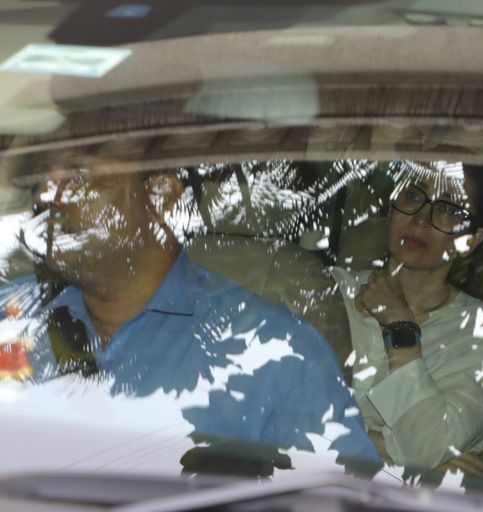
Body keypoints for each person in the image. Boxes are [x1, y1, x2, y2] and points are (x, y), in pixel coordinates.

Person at [0, 160, 379, 471]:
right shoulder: (11, 314)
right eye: (44, 179)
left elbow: (341, 508)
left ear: (160, 195)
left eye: (82, 177)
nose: (48, 196)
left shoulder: (275, 351)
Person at [332, 162, 483, 475]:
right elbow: (277, 404)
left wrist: (399, 326)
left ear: (471, 240)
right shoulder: (332, 290)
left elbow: (428, 446)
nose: (421, 218)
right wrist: (398, 449)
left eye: (448, 209)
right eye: (414, 196)